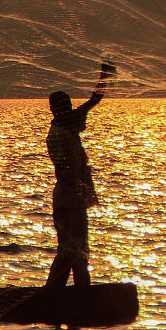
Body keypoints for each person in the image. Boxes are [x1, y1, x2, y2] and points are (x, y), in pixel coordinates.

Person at [45, 61, 113, 287]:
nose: (73, 112)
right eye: (67, 107)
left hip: (70, 197)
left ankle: (78, 292)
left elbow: (92, 102)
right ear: (58, 110)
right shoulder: (61, 130)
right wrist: (104, 75)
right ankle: (54, 294)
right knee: (71, 250)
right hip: (69, 198)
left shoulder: (62, 128)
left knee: (77, 249)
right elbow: (94, 100)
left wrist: (104, 75)